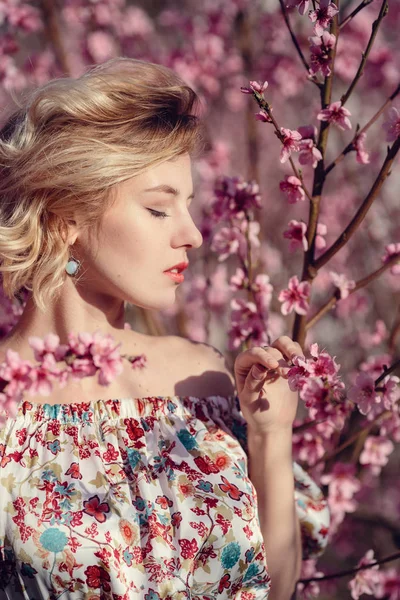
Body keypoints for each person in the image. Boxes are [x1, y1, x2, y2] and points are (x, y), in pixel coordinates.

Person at [0, 57, 329, 600]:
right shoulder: (9, 409)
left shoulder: (201, 380)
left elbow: (273, 587)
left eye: (190, 206)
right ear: (66, 215)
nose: (194, 235)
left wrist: (270, 435)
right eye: (158, 209)